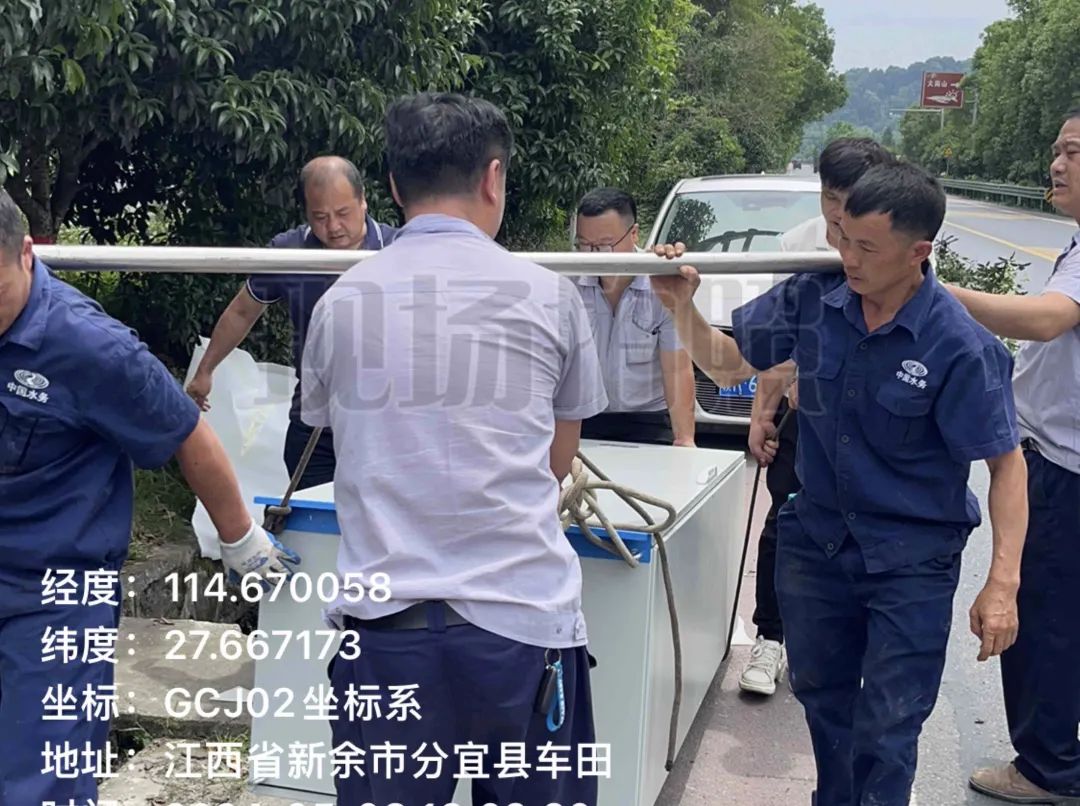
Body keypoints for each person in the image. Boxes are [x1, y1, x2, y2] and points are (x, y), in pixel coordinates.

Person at [651, 160, 1028, 806]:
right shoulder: (813, 298)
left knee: (888, 725)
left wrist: (1002, 583)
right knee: (824, 703)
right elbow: (727, 363)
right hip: (817, 545)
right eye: (843, 238)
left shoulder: (959, 345)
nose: (847, 257)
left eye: (866, 248)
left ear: (918, 253)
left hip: (910, 560)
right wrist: (680, 307)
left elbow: (1006, 465)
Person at [301, 92, 608, 805]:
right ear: (494, 177)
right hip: (521, 627)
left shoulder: (340, 301)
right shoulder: (550, 296)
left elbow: (335, 430)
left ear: (393, 186)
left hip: (384, 634)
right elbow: (557, 461)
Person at [0, 188, 299, 805]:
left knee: (39, 783)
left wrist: (241, 540)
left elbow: (187, 434)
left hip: (55, 595)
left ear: (27, 254)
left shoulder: (90, 348)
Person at [950, 109, 1080, 804]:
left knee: (1047, 622)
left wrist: (939, 295)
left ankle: (1047, 769)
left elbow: (1048, 319)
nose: (1057, 164)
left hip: (1062, 468)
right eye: (1057, 149)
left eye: (1074, 152)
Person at [740, 138, 895, 696]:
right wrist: (763, 412)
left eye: (849, 199)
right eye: (830, 197)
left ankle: (850, 646)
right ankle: (771, 638)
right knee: (785, 520)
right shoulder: (798, 246)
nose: (837, 212)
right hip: (807, 418)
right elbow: (774, 345)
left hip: (872, 424)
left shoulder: (897, 244)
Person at [185, 155, 398, 489]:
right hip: (315, 421)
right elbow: (242, 311)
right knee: (311, 513)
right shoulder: (292, 252)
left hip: (384, 424)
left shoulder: (399, 250)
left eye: (343, 213)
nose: (333, 227)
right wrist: (205, 371)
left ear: (363, 201)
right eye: (320, 217)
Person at [572, 187, 695, 447]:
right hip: (583, 416)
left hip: (648, 420)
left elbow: (677, 369)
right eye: (584, 245)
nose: (594, 256)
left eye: (604, 246)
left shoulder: (662, 283)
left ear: (634, 233)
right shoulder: (567, 284)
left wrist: (685, 440)